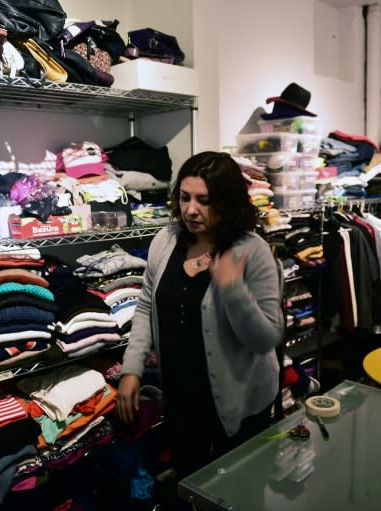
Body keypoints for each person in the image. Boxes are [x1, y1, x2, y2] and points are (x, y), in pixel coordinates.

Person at [117, 151, 284, 482]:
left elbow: (266, 339)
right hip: (180, 397)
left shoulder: (252, 251)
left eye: (204, 200)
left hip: (239, 398)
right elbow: (147, 305)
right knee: (191, 482)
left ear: (226, 202)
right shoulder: (166, 241)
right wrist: (132, 369)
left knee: (239, 489)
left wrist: (234, 290)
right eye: (184, 197)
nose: (191, 209)